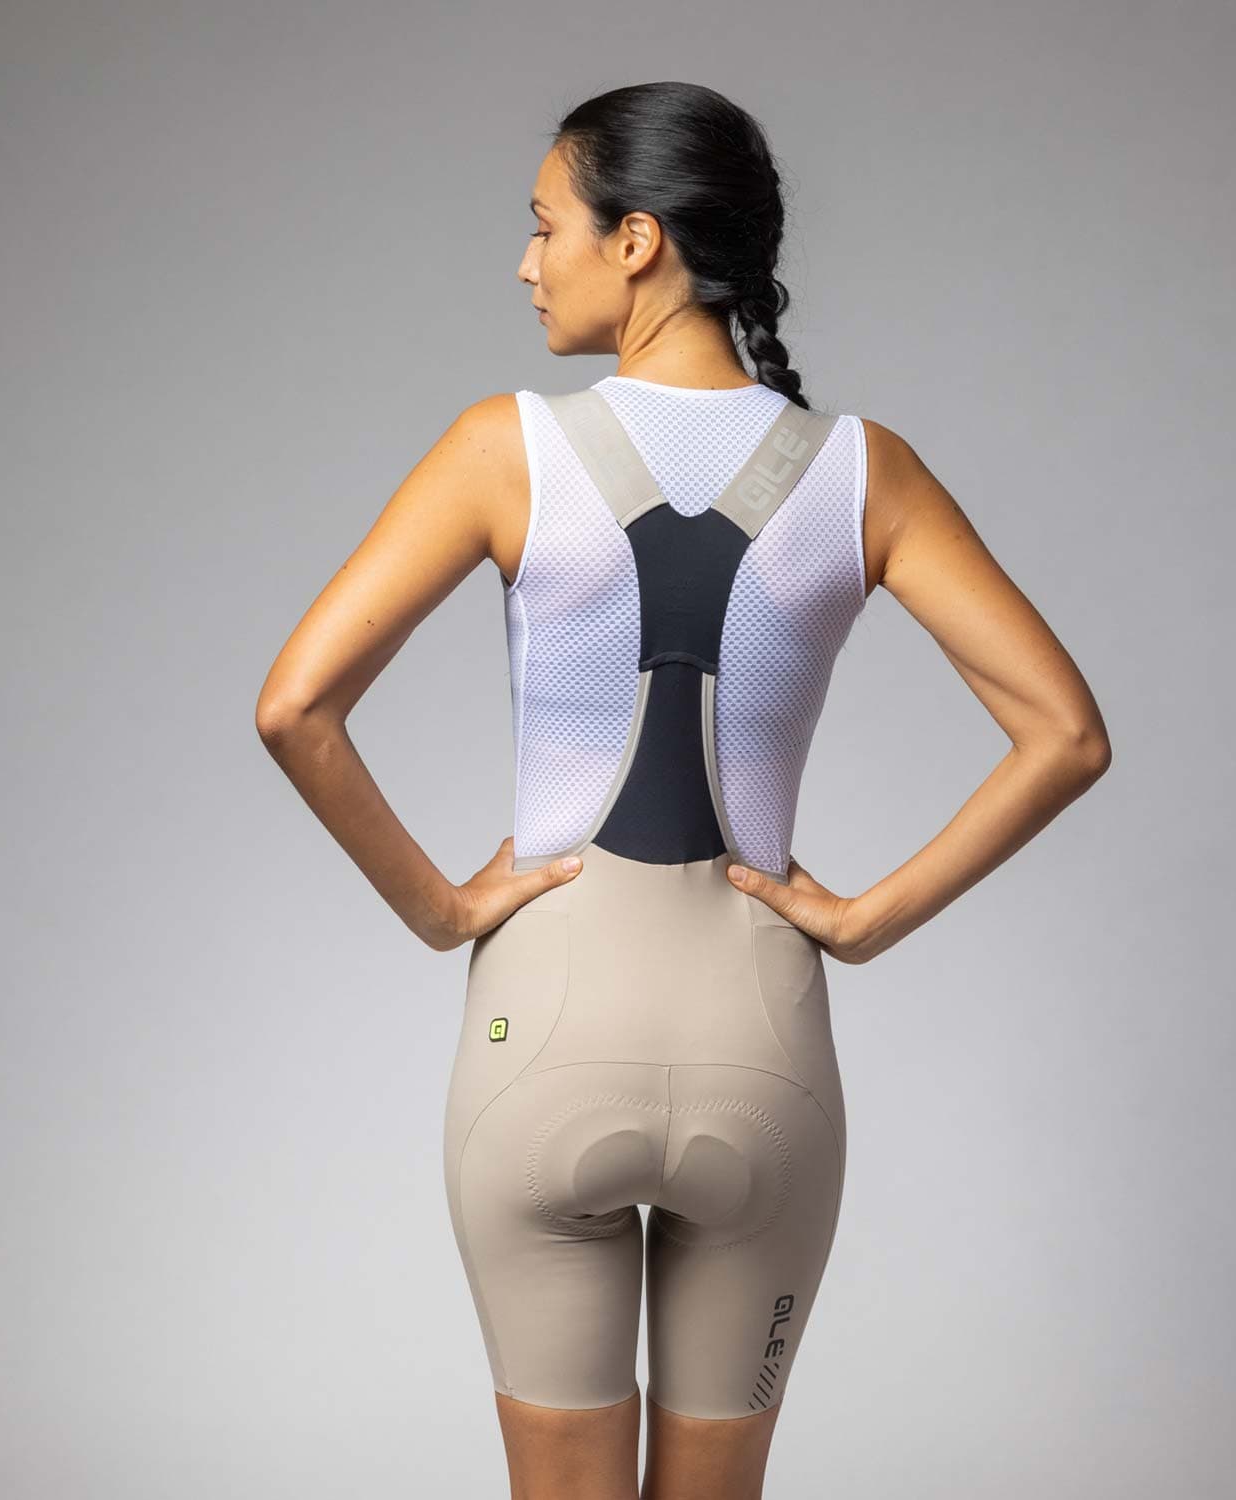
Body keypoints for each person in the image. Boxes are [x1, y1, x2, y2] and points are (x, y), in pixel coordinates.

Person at [255, 80, 1110, 1500]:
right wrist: (867, 920)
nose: (527, 262)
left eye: (546, 226)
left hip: (541, 1045)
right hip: (762, 1046)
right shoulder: (866, 473)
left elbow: (295, 707)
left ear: (637, 239)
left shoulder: (502, 448)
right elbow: (1066, 735)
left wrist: (443, 909)